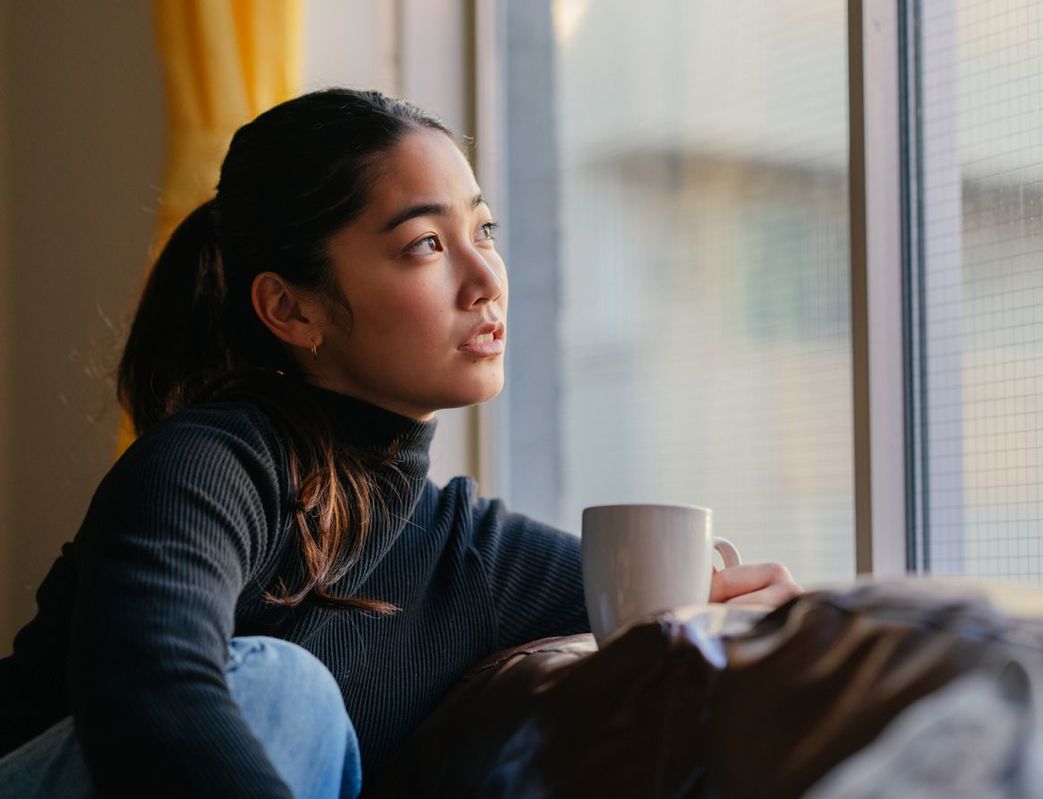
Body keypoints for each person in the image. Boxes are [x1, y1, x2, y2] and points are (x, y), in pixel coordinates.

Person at [0, 88, 801, 798]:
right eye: (425, 243)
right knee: (285, 692)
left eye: (483, 230)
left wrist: (759, 620)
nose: (486, 278)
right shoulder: (210, 464)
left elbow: (673, 609)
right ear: (292, 309)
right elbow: (146, 683)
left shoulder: (467, 553)